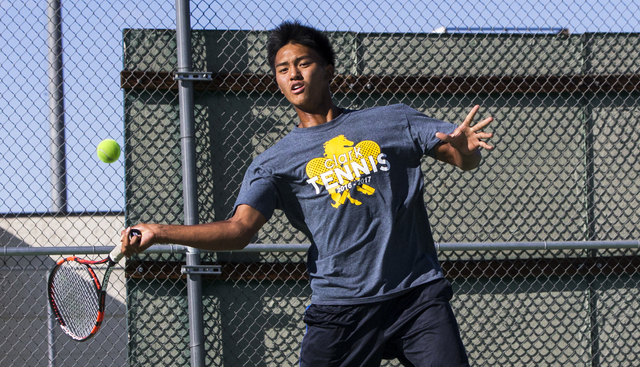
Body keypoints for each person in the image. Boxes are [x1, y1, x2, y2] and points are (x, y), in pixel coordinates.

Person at [122, 20, 494, 366]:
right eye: (283, 70)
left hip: (417, 298)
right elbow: (238, 231)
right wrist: (160, 232)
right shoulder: (273, 162)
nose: (293, 75)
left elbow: (464, 160)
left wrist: (466, 147)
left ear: (329, 71)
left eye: (303, 64)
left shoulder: (392, 119)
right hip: (340, 309)